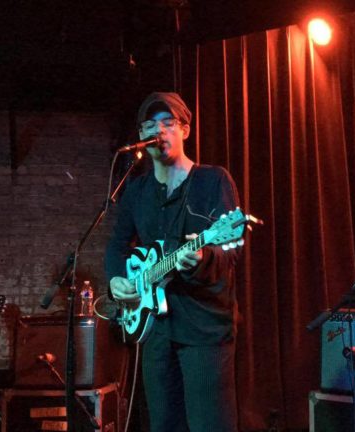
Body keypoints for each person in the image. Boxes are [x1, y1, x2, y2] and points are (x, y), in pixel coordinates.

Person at [105, 92, 240, 432]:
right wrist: (117, 280)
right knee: (164, 425)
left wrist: (200, 258)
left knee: (210, 425)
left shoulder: (213, 181)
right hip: (156, 329)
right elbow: (117, 246)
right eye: (150, 125)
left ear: (185, 130)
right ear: (140, 136)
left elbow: (232, 249)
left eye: (167, 123)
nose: (159, 131)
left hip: (205, 326)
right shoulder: (136, 189)